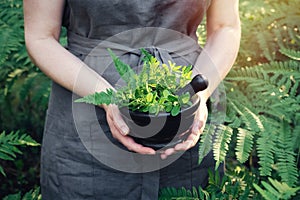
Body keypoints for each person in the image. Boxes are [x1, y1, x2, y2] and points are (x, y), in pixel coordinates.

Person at [23, 0, 241, 199]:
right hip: (85, 117)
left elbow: (225, 27)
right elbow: (40, 36)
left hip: (185, 121)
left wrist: (198, 95)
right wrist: (107, 98)